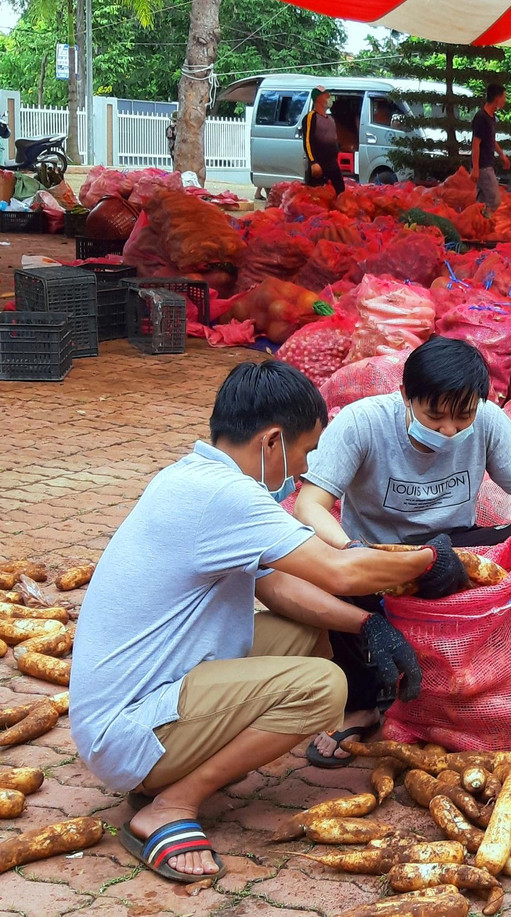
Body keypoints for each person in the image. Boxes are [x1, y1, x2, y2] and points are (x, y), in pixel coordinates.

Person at [70, 362, 463, 884]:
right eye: (303, 453)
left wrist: (366, 627)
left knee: (304, 633)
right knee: (323, 687)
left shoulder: (195, 477)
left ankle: (181, 760)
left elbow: (274, 585)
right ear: (272, 441)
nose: (301, 472)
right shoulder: (227, 496)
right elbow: (339, 571)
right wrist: (430, 561)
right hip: (123, 731)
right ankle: (168, 806)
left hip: (147, 695)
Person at [295, 336, 511, 766]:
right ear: (406, 396)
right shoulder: (361, 423)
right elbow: (308, 505)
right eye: (435, 416)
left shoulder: (486, 421)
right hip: (380, 553)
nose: (449, 430)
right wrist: (351, 550)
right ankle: (361, 702)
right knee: (329, 566)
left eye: (461, 418)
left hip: (454, 547)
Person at [472, 84, 511, 210]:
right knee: (494, 201)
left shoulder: (491, 117)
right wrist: (476, 169)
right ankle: (486, 223)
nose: (505, 101)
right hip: (483, 167)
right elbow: (476, 144)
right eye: (503, 97)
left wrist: (502, 155)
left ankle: (479, 225)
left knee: (482, 201)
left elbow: (491, 140)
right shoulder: (481, 117)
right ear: (497, 99)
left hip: (487, 164)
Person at [302, 87, 344, 195]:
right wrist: (313, 162)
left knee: (340, 192)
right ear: (319, 99)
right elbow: (307, 141)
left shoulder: (330, 119)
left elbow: (334, 139)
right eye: (327, 96)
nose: (330, 98)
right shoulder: (311, 117)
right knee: (317, 196)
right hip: (318, 165)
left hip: (332, 164)